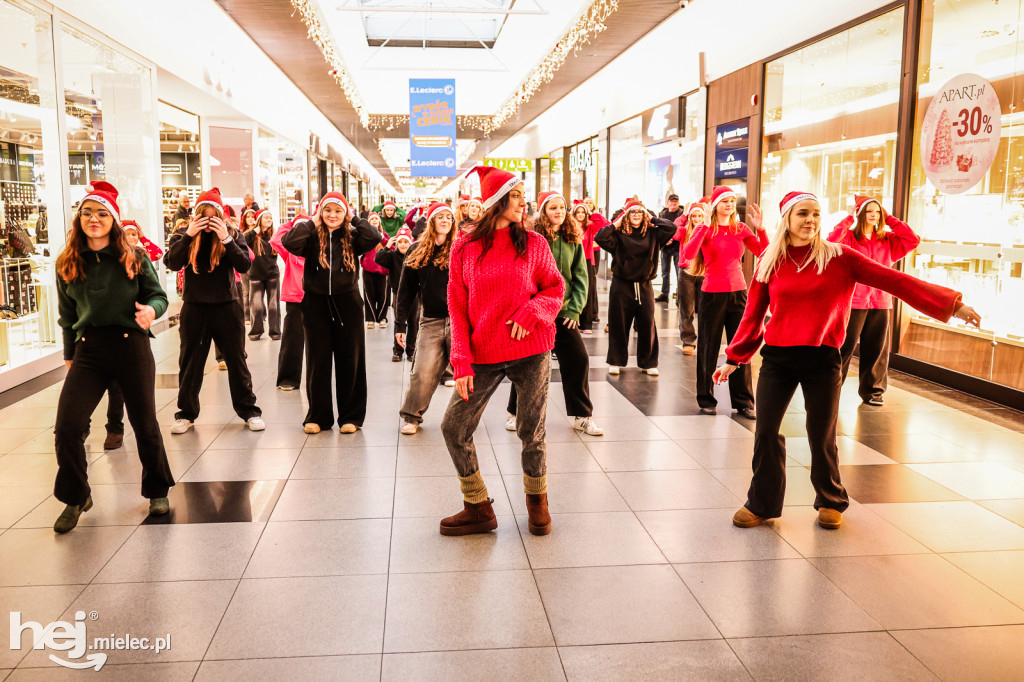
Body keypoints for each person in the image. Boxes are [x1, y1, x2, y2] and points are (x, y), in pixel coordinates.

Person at [716, 191, 980, 530]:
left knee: (821, 433)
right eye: (802, 214)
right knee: (765, 432)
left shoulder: (840, 256)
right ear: (787, 219)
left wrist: (951, 304)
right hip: (778, 359)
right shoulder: (771, 259)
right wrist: (734, 358)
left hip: (823, 357)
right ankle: (762, 504)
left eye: (815, 214)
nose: (810, 220)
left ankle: (830, 500)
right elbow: (754, 313)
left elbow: (895, 280)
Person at [439, 166, 565, 537]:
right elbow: (457, 307)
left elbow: (554, 289)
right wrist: (460, 361)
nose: (522, 202)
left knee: (532, 430)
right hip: (482, 353)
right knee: (453, 426)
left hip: (532, 349)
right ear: (496, 201)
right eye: (515, 195)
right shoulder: (465, 245)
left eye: (522, 195)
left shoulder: (534, 243)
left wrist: (532, 312)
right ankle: (477, 505)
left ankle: (537, 501)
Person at [53, 181, 174, 533]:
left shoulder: (133, 257)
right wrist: (68, 354)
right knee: (67, 427)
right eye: (88, 212)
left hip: (130, 347)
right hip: (88, 350)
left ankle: (157, 489)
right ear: (79, 219)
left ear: (114, 220)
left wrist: (151, 312)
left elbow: (159, 297)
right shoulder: (67, 262)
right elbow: (65, 316)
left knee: (145, 424)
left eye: (102, 213)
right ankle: (76, 495)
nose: (94, 218)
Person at [164, 187, 265, 434]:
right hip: (195, 307)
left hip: (227, 306)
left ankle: (249, 411)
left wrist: (227, 239)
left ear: (221, 216)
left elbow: (244, 264)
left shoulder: (232, 234)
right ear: (196, 214)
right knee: (190, 362)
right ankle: (186, 414)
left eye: (213, 216)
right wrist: (189, 234)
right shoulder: (183, 234)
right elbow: (172, 262)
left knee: (236, 359)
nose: (208, 221)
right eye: (203, 215)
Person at [282, 192, 381, 434]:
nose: (333, 215)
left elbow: (374, 237)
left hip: (348, 304)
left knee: (351, 361)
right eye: (328, 211)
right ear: (320, 212)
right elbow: (288, 242)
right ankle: (318, 416)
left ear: (345, 212)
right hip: (315, 305)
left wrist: (354, 219)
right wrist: (312, 222)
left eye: (338, 211)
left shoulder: (353, 236)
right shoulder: (311, 236)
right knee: (318, 361)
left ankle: (351, 417)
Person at [506, 191, 602, 437]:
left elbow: (581, 276)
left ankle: (582, 416)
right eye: (553, 208)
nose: (559, 212)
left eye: (562, 207)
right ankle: (515, 413)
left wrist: (574, 308)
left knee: (578, 359)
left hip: (563, 311)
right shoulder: (531, 238)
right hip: (536, 311)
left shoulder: (573, 238)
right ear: (543, 211)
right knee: (526, 363)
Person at [683, 186, 768, 418]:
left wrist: (761, 229)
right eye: (725, 201)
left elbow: (765, 253)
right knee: (708, 348)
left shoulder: (741, 229)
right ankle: (706, 399)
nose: (730, 204)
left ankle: (743, 401)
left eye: (732, 200)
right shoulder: (705, 229)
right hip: (711, 295)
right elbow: (686, 256)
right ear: (715, 205)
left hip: (739, 294)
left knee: (740, 347)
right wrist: (704, 227)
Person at [828, 195, 921, 406]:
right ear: (861, 213)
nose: (874, 215)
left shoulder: (888, 239)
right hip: (853, 302)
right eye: (869, 211)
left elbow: (913, 240)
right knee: (843, 347)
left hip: (881, 301)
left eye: (878, 212)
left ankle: (873, 392)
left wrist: (891, 220)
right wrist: (849, 219)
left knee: (876, 349)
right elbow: (832, 242)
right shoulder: (850, 238)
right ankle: (830, 388)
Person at [97, 220, 163, 450]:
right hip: (99, 337)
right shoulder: (103, 257)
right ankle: (97, 425)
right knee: (103, 388)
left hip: (133, 333)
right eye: (128, 234)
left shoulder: (141, 256)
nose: (131, 238)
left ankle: (116, 428)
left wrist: (150, 310)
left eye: (134, 234)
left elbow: (158, 254)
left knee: (124, 388)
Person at [595, 199, 676, 376]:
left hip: (644, 284)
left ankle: (648, 362)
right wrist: (616, 224)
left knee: (647, 323)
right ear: (626, 215)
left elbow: (671, 228)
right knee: (618, 323)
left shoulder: (654, 234)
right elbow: (599, 237)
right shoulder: (619, 234)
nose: (636, 215)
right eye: (633, 212)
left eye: (640, 212)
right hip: (622, 284)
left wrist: (652, 218)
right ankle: (616, 361)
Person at [396, 202, 457, 434]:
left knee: (470, 373)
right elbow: (406, 291)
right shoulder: (416, 249)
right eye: (440, 217)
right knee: (422, 371)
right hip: (431, 319)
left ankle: (465, 420)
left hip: (459, 319)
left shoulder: (459, 248)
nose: (445, 221)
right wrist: (400, 323)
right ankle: (411, 417)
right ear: (430, 221)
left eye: (448, 218)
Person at [269, 213, 308, 391]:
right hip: (295, 299)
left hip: (318, 297)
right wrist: (293, 222)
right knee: (292, 339)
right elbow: (276, 240)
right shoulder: (290, 250)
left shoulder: (318, 247)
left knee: (321, 341)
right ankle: (288, 378)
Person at [376, 225, 416, 361]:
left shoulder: (415, 255)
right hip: (398, 294)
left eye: (406, 242)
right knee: (399, 322)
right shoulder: (392, 256)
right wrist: (387, 246)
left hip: (414, 294)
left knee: (413, 322)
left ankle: (411, 350)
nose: (403, 245)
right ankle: (398, 351)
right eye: (400, 242)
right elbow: (378, 258)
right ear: (396, 243)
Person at [673, 200, 707, 355]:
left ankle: (706, 340)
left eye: (700, 216)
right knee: (686, 308)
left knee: (705, 308)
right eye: (694, 216)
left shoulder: (708, 230)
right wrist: (684, 215)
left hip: (703, 271)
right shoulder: (684, 231)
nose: (697, 219)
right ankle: (688, 340)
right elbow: (672, 229)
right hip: (686, 272)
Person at [243, 208, 281, 341]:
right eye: (266, 217)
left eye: (270, 218)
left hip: (272, 275)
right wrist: (253, 232)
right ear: (259, 220)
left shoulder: (274, 235)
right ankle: (255, 332)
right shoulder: (252, 235)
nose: (269, 220)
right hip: (255, 276)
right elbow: (240, 241)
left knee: (274, 306)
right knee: (256, 307)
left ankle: (275, 332)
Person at [575, 200, 608, 334]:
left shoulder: (590, 227)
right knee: (574, 292)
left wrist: (591, 213)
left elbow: (603, 224)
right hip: (574, 261)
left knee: (588, 292)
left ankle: (586, 324)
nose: (581, 214)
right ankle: (575, 321)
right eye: (579, 212)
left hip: (588, 261)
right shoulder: (570, 226)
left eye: (583, 212)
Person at [361, 212, 390, 329]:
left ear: (379, 222)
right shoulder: (365, 235)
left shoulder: (385, 235)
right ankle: (370, 319)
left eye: (376, 219)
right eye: (372, 219)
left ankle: (382, 318)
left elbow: (392, 248)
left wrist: (382, 239)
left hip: (383, 270)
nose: (374, 221)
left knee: (383, 295)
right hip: (368, 269)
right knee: (369, 294)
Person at [656, 194, 684, 302]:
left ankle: (680, 296)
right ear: (667, 203)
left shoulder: (682, 214)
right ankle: (664, 294)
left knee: (679, 273)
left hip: (678, 247)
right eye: (671, 202)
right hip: (666, 248)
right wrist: (664, 240)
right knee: (665, 273)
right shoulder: (662, 214)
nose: (673, 204)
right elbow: (659, 229)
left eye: (675, 202)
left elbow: (683, 228)